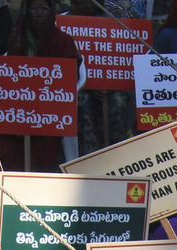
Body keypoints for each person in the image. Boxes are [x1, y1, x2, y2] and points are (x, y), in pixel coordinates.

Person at [0, 0, 81, 172]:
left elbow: (70, 77)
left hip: (50, 106)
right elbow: (8, 80)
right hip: (19, 104)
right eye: (35, 8)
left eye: (44, 8)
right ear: (27, 11)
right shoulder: (18, 39)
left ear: (52, 11)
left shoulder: (63, 41)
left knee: (44, 139)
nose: (40, 13)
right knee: (1, 133)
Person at [69, 0, 136, 155]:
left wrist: (112, 82)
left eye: (78, 4)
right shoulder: (64, 23)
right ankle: (90, 156)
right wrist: (89, 84)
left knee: (119, 101)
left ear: (94, 4)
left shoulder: (116, 22)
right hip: (80, 86)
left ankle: (117, 154)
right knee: (81, 102)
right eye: (72, 3)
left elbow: (125, 58)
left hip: (113, 86)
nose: (73, 7)